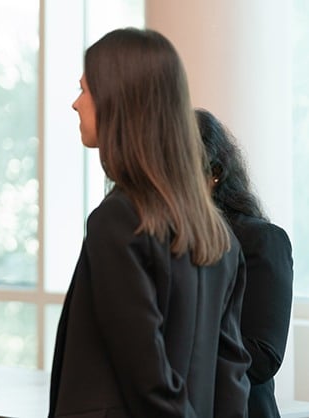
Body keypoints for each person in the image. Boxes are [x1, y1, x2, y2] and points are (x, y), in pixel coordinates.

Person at [48, 28, 251, 417]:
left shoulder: (118, 219)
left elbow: (146, 376)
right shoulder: (219, 235)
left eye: (85, 90)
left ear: (118, 101)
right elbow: (231, 379)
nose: (75, 104)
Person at [196, 108, 294, 418]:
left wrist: (177, 345)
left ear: (214, 174)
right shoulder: (162, 241)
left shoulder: (261, 239)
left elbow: (263, 356)